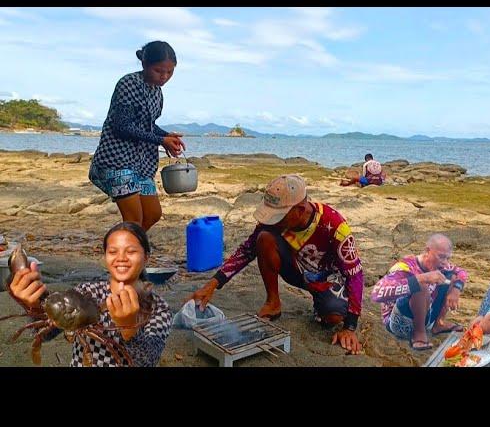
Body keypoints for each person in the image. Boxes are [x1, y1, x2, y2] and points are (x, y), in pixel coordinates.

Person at [189, 174, 365, 354]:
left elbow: (355, 274)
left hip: (326, 278)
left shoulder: (335, 226)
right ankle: (273, 303)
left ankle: (323, 304)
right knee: (263, 238)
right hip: (296, 269)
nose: (274, 220)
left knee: (333, 317)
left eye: (280, 215)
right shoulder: (275, 222)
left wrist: (350, 327)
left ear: (300, 209)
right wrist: (212, 284)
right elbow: (247, 250)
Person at [8, 222, 172, 367]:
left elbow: (148, 360)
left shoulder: (158, 308)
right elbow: (49, 331)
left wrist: (129, 330)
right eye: (113, 251)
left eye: (131, 252)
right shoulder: (87, 291)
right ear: (105, 256)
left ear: (146, 258)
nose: (121, 258)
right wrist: (33, 304)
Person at [89, 41, 186, 232]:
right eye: (159, 71)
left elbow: (147, 125)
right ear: (144, 64)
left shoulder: (157, 92)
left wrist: (166, 136)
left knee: (152, 215)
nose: (164, 77)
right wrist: (160, 140)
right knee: (133, 219)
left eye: (169, 72)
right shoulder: (128, 84)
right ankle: (123, 255)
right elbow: (122, 126)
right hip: (117, 161)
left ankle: (126, 250)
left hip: (141, 165)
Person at [371, 234, 468, 350]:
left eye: (448, 258)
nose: (445, 263)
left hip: (426, 315)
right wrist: (422, 278)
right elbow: (376, 294)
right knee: (420, 285)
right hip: (400, 321)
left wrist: (456, 290)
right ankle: (419, 335)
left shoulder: (442, 266)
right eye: (441, 257)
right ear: (427, 251)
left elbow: (461, 272)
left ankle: (438, 324)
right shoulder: (404, 267)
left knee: (451, 276)